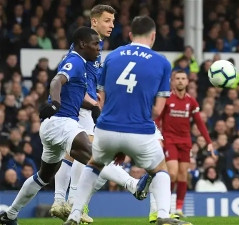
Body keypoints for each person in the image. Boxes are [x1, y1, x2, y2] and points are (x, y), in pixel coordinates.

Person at [63, 16, 192, 225]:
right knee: (160, 170)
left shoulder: (112, 57)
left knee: (94, 164)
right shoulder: (162, 62)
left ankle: (75, 214)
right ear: (153, 36)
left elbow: (101, 100)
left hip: (107, 127)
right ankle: (162, 216)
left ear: (130, 35)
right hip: (140, 128)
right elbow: (158, 110)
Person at [0, 27, 101, 225]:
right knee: (95, 157)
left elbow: (72, 94)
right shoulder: (75, 61)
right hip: (61, 122)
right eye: (95, 44)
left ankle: (9, 215)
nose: (99, 49)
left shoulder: (79, 62)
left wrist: (92, 107)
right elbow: (56, 81)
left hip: (53, 126)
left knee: (43, 177)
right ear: (83, 44)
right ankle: (76, 208)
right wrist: (54, 103)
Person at [51, 5, 142, 224]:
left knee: (73, 155)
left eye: (113, 21)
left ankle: (61, 201)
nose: (112, 25)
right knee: (91, 155)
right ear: (94, 22)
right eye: (108, 20)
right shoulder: (84, 47)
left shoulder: (96, 48)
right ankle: (76, 201)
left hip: (83, 107)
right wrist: (92, 102)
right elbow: (72, 77)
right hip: (79, 107)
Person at [149, 70, 213, 221]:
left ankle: (178, 208)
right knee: (172, 173)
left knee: (183, 174)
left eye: (183, 78)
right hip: (169, 140)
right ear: (172, 81)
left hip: (185, 141)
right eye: (177, 78)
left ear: (187, 82)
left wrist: (209, 141)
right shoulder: (167, 99)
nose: (180, 81)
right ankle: (166, 207)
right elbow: (158, 119)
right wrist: (156, 136)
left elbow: (199, 123)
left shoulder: (191, 101)